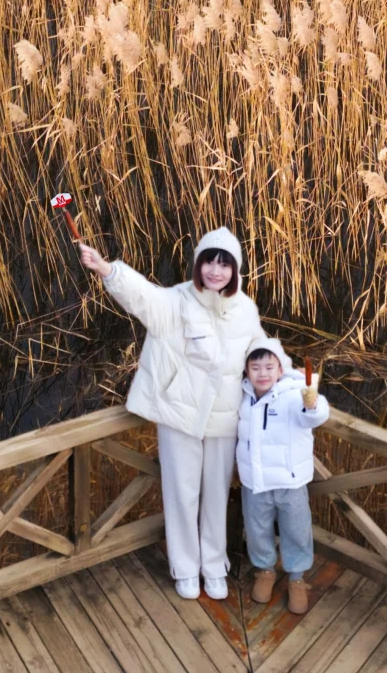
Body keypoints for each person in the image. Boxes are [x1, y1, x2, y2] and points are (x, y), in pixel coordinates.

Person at [78, 227, 264, 601]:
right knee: (181, 492)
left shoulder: (245, 309)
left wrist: (290, 382)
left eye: (224, 264)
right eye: (209, 261)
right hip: (179, 414)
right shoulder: (176, 301)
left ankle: (214, 566)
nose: (215, 270)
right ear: (198, 264)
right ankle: (184, 567)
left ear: (235, 270)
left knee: (215, 494)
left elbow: (262, 352)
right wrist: (106, 269)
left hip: (224, 418)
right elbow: (141, 296)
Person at [236, 335, 329, 615]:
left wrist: (311, 403)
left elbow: (312, 415)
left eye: (268, 367)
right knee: (257, 529)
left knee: (297, 529)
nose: (262, 373)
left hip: (290, 482)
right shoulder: (242, 396)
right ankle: (265, 570)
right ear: (246, 372)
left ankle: (297, 578)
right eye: (255, 368)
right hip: (255, 482)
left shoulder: (293, 393)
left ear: (280, 370)